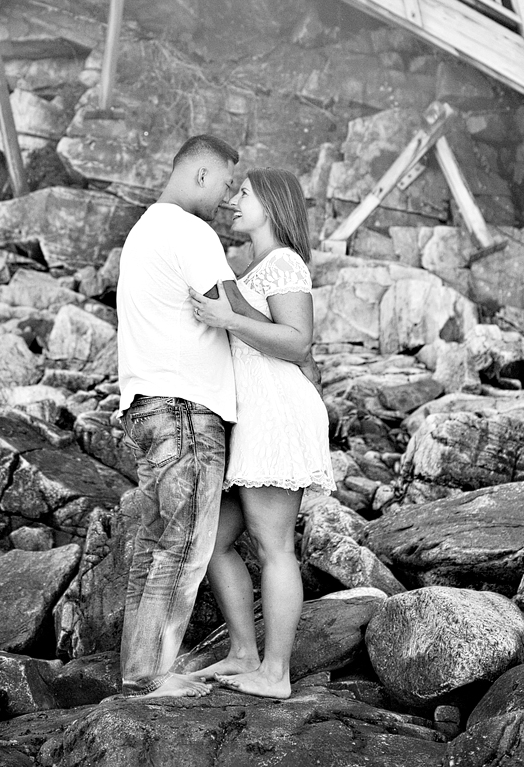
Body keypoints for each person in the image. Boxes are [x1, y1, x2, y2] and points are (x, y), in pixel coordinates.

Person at [188, 168, 334, 699]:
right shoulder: (255, 265)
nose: (233, 201)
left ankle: (276, 673)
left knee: (275, 548)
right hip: (250, 414)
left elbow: (298, 342)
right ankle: (244, 653)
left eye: (244, 194)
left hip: (276, 413)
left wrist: (229, 319)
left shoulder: (285, 262)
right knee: (214, 542)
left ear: (270, 204)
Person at [116, 132, 240, 698]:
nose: (228, 199)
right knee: (185, 545)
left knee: (153, 546)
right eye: (226, 185)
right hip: (185, 410)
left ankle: (136, 671)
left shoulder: (143, 231)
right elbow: (233, 312)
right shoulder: (191, 230)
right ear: (200, 175)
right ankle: (154, 676)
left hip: (146, 408)